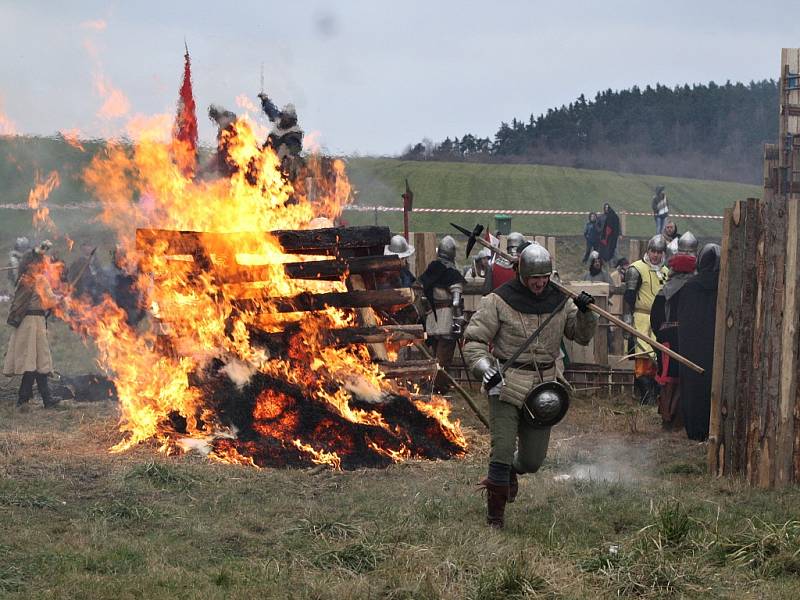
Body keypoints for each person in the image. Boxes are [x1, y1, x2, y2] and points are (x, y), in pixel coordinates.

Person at [463, 243, 597, 528]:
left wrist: (586, 313)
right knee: (501, 450)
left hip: (545, 387)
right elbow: (473, 341)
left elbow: (580, 336)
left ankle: (510, 471)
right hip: (507, 383)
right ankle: (495, 519)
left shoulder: (562, 301)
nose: (539, 283)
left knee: (533, 461)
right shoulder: (497, 301)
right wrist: (486, 369)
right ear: (522, 275)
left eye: (544, 277)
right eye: (534, 277)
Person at [649, 231, 698, 430]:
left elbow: (655, 320)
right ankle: (672, 419)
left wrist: (662, 335)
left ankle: (670, 420)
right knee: (676, 380)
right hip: (683, 340)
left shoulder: (666, 291)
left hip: (670, 340)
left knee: (671, 380)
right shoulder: (694, 289)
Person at [3, 241, 60, 408]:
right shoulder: (40, 279)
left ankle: (26, 398)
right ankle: (40, 399)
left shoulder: (23, 278)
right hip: (34, 323)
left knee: (34, 361)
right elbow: (49, 301)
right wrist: (62, 298)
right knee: (37, 361)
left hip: (25, 323)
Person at [678, 243, 720, 441]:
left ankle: (695, 431)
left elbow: (683, 320)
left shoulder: (690, 286)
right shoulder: (723, 287)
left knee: (693, 388)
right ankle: (712, 429)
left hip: (691, 348)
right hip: (715, 347)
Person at [623, 235, 668, 405]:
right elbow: (629, 297)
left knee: (659, 358)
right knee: (643, 357)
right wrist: (627, 321)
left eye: (659, 252)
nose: (655, 255)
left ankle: (655, 396)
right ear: (647, 251)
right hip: (641, 318)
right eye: (653, 251)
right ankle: (645, 396)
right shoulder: (636, 269)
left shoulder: (665, 272)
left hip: (660, 320)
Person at [418, 235, 465, 392]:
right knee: (443, 357)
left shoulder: (432, 269)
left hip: (432, 317)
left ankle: (433, 384)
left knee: (435, 354)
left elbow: (423, 296)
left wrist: (428, 313)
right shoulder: (452, 274)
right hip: (446, 318)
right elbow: (456, 301)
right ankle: (438, 387)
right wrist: (458, 321)